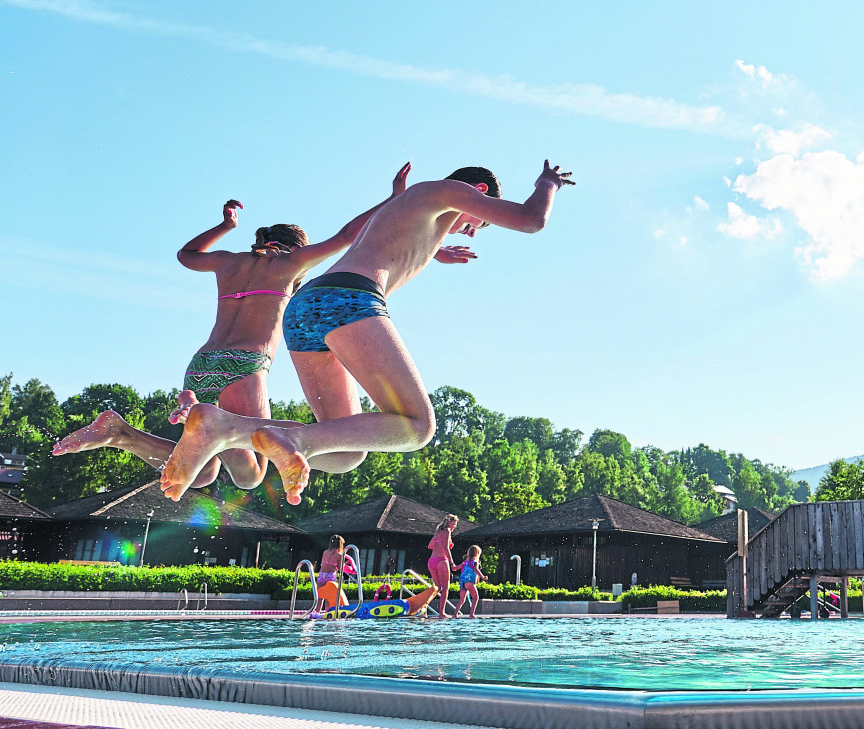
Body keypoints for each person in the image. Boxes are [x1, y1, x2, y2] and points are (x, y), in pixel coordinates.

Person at [158, 159, 574, 504]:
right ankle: (288, 443)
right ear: (479, 192)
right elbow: (531, 220)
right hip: (347, 300)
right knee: (416, 426)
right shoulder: (443, 191)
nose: (469, 229)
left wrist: (435, 252)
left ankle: (222, 427)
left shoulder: (417, 209)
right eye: (477, 223)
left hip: (306, 310)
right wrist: (547, 183)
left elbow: (383, 236)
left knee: (345, 452)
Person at [54, 165, 474, 492]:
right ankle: (128, 433)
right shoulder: (291, 265)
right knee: (250, 477)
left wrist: (226, 227)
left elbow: (186, 255)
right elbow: (352, 235)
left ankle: (121, 434)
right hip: (244, 366)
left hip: (200, 365)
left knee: (202, 473)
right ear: (298, 248)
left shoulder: (229, 261)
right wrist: (392, 202)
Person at [427, 514, 458, 619]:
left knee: (437, 588)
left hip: (431, 561)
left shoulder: (437, 531)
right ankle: (441, 613)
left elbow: (430, 545)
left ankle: (423, 607)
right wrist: (452, 563)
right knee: (445, 588)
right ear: (449, 523)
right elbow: (445, 548)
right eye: (454, 524)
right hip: (441, 561)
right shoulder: (447, 531)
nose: (455, 526)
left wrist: (446, 545)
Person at [317, 533, 356, 610]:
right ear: (340, 544)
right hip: (330, 576)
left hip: (321, 575)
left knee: (320, 597)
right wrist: (347, 564)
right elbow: (339, 568)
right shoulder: (339, 555)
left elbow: (325, 564)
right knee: (329, 598)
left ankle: (316, 613)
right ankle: (328, 613)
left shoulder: (325, 552)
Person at [453, 545, 488, 618]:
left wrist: (453, 566)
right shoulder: (475, 562)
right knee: (476, 598)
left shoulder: (464, 562)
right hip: (469, 582)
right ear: (477, 554)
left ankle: (455, 614)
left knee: (461, 600)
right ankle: (471, 614)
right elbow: (476, 570)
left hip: (462, 582)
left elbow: (455, 568)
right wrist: (483, 577)